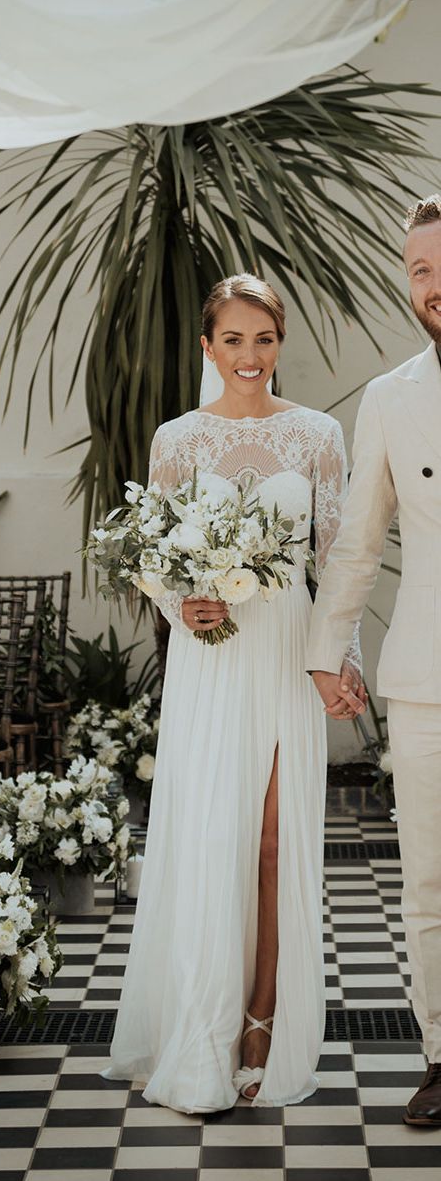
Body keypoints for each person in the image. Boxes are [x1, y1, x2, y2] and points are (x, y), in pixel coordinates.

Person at [103, 273, 361, 1113]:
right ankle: (203, 1029)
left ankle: (262, 1018)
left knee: (276, 844)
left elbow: (337, 564)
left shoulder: (319, 435)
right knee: (215, 840)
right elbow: (152, 556)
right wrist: (185, 602)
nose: (250, 356)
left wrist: (342, 661)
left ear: (278, 344)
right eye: (234, 340)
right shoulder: (177, 440)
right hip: (213, 658)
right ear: (209, 347)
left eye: (265, 339)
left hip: (287, 651)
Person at [307, 195, 441, 1128]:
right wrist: (327, 655)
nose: (432, 285)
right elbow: (355, 543)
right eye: (420, 270)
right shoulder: (392, 399)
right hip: (427, 678)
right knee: (430, 882)